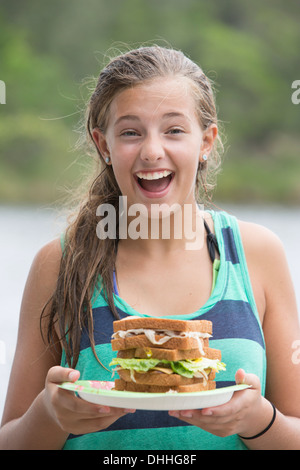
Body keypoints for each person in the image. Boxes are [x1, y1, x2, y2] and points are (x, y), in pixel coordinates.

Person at [1, 45, 300, 450]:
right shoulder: (59, 264)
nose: (152, 151)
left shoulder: (257, 254)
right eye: (130, 132)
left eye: (174, 130)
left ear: (206, 141)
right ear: (103, 145)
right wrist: (49, 414)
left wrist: (259, 422)